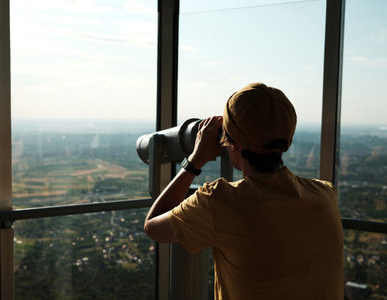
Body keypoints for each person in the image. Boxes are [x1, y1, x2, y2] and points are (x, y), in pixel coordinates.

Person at [144, 82, 343, 299]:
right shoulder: (325, 194)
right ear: (288, 139)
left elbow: (152, 226)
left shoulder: (219, 202)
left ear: (234, 143)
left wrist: (195, 160)